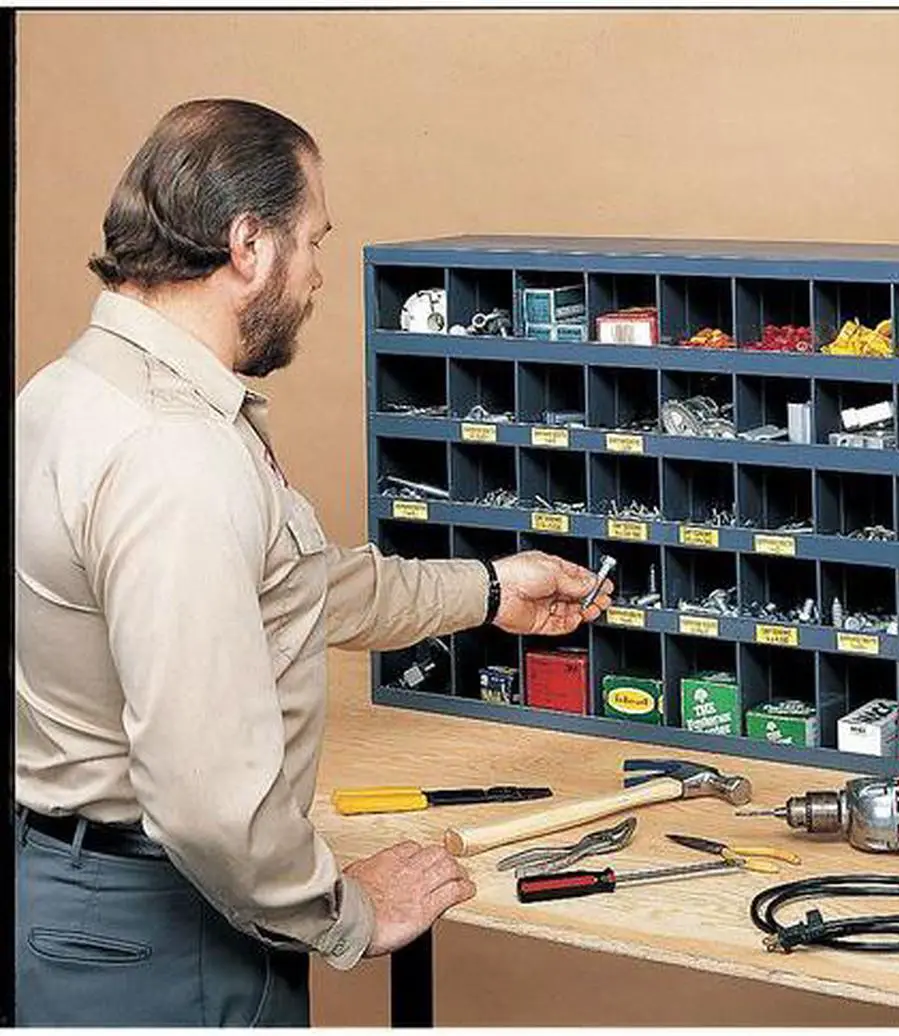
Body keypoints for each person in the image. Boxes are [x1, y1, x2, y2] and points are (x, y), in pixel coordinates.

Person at [14, 98, 613, 1026]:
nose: (319, 276)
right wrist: (345, 913)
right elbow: (208, 802)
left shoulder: (68, 392)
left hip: (85, 896)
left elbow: (293, 587)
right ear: (250, 245)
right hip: (166, 932)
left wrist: (492, 589)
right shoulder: (176, 456)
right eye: (313, 242)